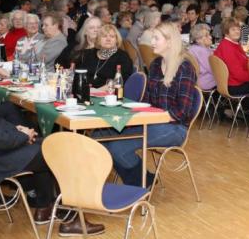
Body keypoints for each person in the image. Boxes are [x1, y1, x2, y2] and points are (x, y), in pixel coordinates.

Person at [0, 45, 103, 233]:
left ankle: (45, 208)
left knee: (48, 145)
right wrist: (23, 136)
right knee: (60, 152)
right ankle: (73, 219)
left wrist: (16, 129)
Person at [94, 21, 199, 186]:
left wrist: (150, 118)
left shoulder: (184, 68)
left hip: (174, 128)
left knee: (118, 148)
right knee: (100, 135)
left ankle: (140, 184)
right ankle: (144, 179)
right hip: (152, 122)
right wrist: (133, 115)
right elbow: (147, 101)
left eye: (156, 38)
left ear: (169, 41)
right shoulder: (156, 65)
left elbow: (182, 112)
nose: (152, 42)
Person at [77, 24, 133, 89]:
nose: (108, 39)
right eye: (104, 36)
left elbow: (121, 81)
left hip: (108, 92)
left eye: (112, 36)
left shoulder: (123, 57)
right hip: (85, 90)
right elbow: (79, 75)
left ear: (116, 40)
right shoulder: (89, 54)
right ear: (98, 39)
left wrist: (98, 91)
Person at [213, 18, 249, 96]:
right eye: (233, 29)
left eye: (238, 29)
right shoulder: (228, 48)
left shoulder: (228, 44)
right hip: (235, 85)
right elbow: (238, 75)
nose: (237, 31)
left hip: (229, 83)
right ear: (226, 32)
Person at [187, 23, 216, 91]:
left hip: (196, 81)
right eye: (206, 35)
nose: (210, 37)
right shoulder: (202, 51)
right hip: (206, 83)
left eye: (209, 34)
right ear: (198, 40)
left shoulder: (192, 48)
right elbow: (213, 69)